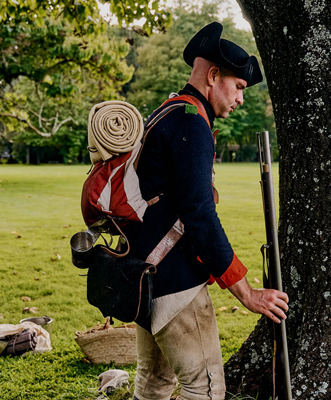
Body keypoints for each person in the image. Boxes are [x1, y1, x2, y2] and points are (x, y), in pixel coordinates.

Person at [123, 22, 289, 400]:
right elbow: (199, 215)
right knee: (207, 389)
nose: (241, 99)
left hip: (144, 277)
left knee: (153, 385)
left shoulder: (166, 113)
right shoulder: (191, 124)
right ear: (213, 76)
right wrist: (246, 293)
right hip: (175, 283)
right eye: (239, 87)